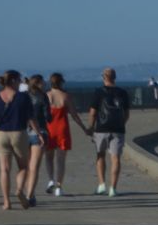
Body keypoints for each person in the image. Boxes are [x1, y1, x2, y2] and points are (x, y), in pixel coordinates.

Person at [0, 71, 37, 210]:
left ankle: (6, 202)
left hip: (1, 135)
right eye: (19, 80)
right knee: (23, 167)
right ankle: (19, 189)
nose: (20, 82)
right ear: (13, 80)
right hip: (18, 133)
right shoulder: (23, 98)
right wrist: (39, 133)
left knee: (4, 169)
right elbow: (31, 117)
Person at [86, 67, 131, 196]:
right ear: (115, 78)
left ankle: (101, 185)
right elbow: (127, 113)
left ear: (103, 77)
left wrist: (90, 127)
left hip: (101, 129)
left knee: (100, 155)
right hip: (118, 130)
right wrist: (121, 124)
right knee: (115, 158)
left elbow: (93, 112)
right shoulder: (122, 92)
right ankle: (113, 188)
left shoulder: (98, 92)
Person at [19, 74, 52, 207]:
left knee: (25, 166)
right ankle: (29, 195)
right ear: (38, 84)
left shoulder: (23, 96)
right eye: (43, 82)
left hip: (23, 133)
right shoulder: (43, 97)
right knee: (34, 167)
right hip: (40, 132)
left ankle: (22, 190)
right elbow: (48, 116)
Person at [42, 72, 75, 196]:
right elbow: (74, 115)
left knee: (48, 157)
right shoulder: (65, 96)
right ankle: (59, 187)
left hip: (49, 129)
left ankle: (51, 180)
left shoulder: (46, 95)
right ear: (61, 82)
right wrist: (84, 128)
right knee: (61, 160)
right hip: (62, 129)